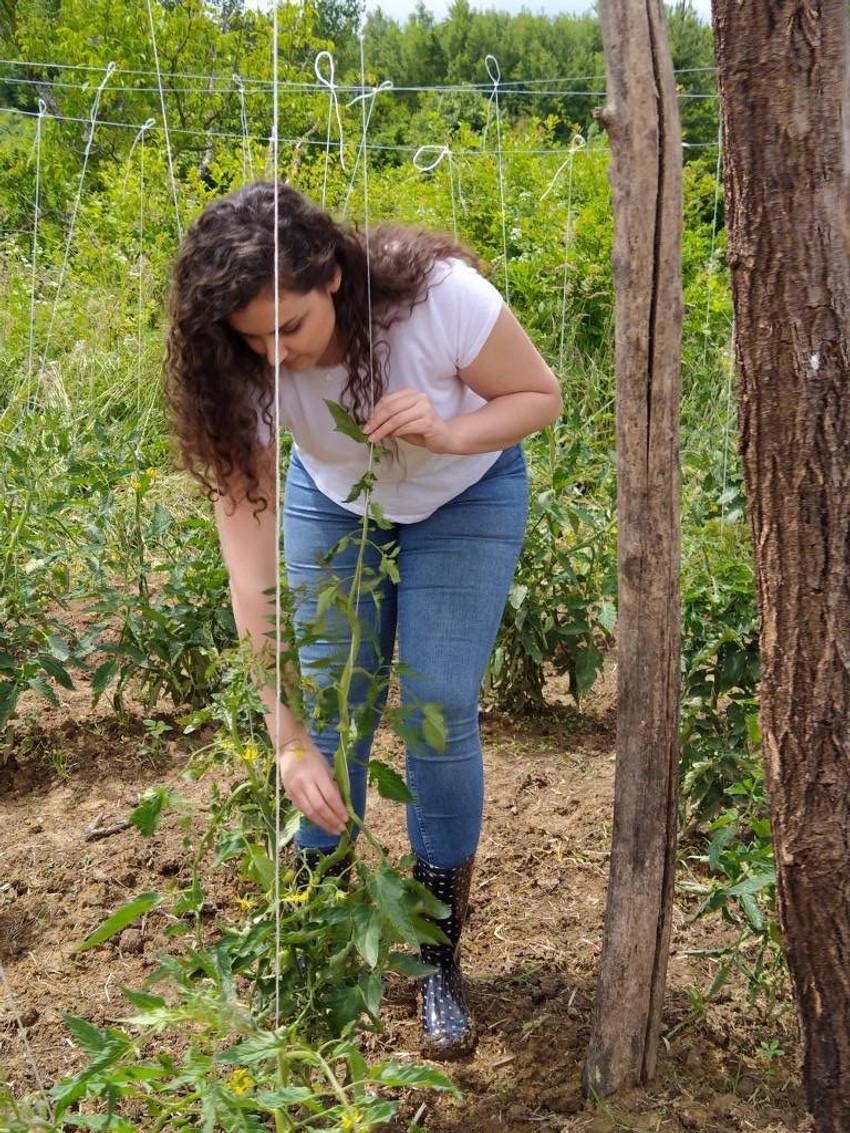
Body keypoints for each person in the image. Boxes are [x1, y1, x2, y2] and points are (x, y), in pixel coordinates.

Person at [166, 180, 562, 1059]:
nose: (275, 354)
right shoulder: (245, 373)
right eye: (252, 339)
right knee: (331, 717)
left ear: (334, 278)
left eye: (290, 329)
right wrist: (286, 735)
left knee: (438, 701)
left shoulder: (438, 303)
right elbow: (253, 582)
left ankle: (436, 959)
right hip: (335, 505)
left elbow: (540, 397)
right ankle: (315, 951)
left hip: (466, 494)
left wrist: (450, 432)